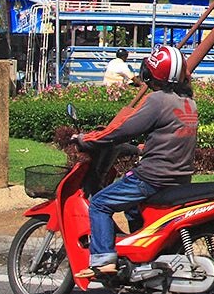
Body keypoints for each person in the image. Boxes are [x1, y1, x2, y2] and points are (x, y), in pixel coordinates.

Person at [75, 45, 199, 277]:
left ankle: (103, 261)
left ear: (152, 72)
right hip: (179, 178)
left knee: (100, 203)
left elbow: (122, 131)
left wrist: (87, 139)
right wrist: (143, 148)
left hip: (153, 177)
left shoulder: (158, 100)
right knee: (132, 208)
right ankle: (140, 255)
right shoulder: (188, 102)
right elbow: (171, 135)